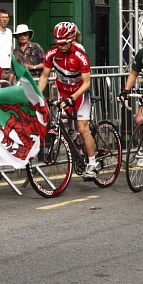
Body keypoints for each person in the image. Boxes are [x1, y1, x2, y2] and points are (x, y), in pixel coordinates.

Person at [37, 22, 98, 179]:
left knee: (82, 128)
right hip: (63, 91)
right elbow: (44, 76)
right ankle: (75, 141)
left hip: (79, 93)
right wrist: (37, 95)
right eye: (57, 42)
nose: (60, 46)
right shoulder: (51, 54)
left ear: (72, 39)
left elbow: (86, 83)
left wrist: (72, 98)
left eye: (64, 43)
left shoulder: (80, 56)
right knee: (62, 124)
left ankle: (92, 163)